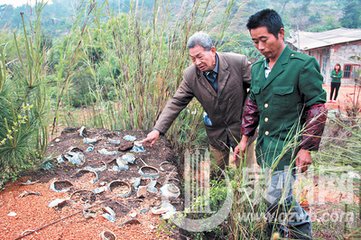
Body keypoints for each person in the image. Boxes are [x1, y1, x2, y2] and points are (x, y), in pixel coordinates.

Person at [234, 9, 327, 239]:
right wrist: (245, 139)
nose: (260, 47)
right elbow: (253, 105)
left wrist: (306, 147)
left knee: (279, 197)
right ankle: (275, 232)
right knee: (273, 196)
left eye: (264, 40)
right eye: (255, 41)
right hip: (265, 148)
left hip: (288, 148)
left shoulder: (302, 66)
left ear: (280, 33)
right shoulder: (257, 68)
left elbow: (316, 108)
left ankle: (302, 232)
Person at [141, 31, 254, 175]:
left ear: (212, 50)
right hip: (217, 134)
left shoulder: (237, 62)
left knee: (247, 175)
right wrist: (157, 129)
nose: (197, 63)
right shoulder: (191, 75)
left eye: (200, 57)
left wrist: (247, 112)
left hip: (242, 131)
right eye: (193, 59)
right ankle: (218, 197)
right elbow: (176, 102)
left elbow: (258, 88)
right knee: (216, 175)